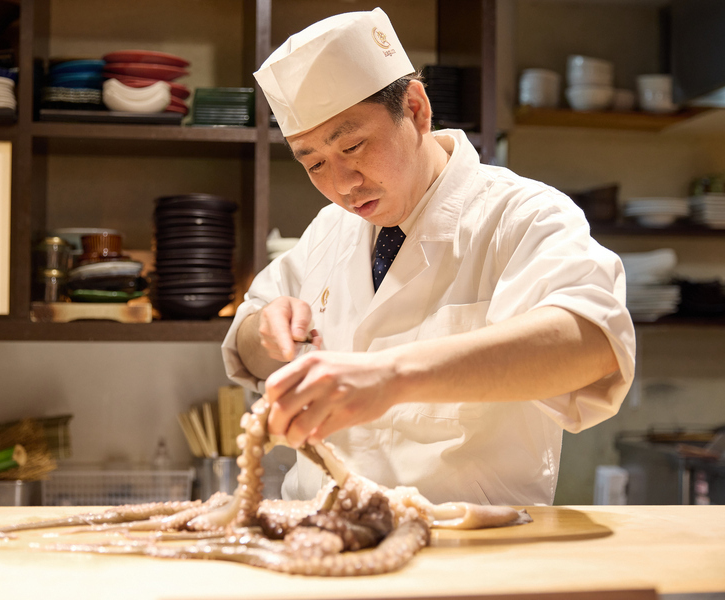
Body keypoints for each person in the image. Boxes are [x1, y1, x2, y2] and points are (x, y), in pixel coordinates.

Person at [221, 8, 635, 506]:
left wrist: (393, 375)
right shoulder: (331, 228)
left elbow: (591, 342)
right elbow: (246, 348)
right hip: (320, 543)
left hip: (469, 559)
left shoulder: (521, 214)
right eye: (313, 163)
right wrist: (267, 328)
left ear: (416, 108)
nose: (341, 185)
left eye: (353, 145)